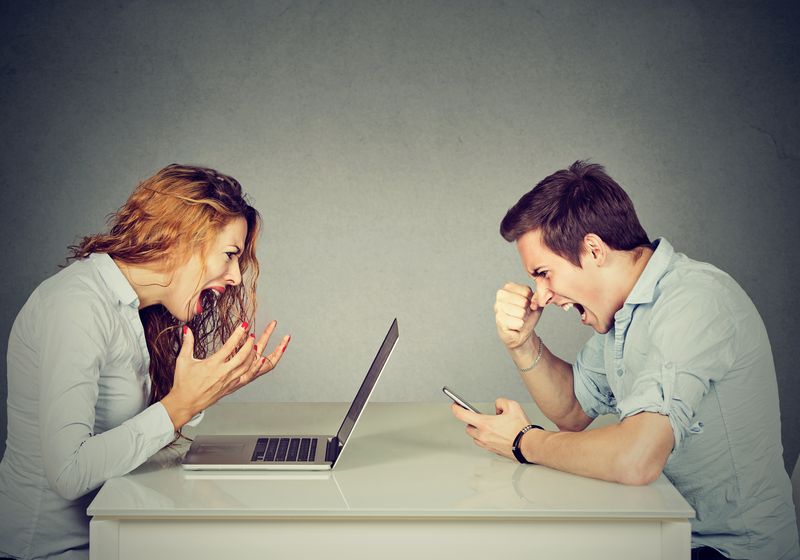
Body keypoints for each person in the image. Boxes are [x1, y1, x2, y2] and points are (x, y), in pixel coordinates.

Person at [451, 161, 799, 559]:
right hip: (662, 529)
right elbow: (573, 409)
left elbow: (636, 460)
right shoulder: (623, 310)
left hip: (725, 550)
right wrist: (522, 343)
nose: (542, 295)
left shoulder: (694, 302)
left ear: (594, 250)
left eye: (544, 273)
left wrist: (522, 441)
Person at [0, 164, 290, 559]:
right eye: (229, 255)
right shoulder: (76, 306)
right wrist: (179, 406)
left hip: (116, 535)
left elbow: (139, 445)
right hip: (53, 551)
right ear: (181, 240)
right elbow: (68, 473)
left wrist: (203, 394)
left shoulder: (142, 312)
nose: (236, 277)